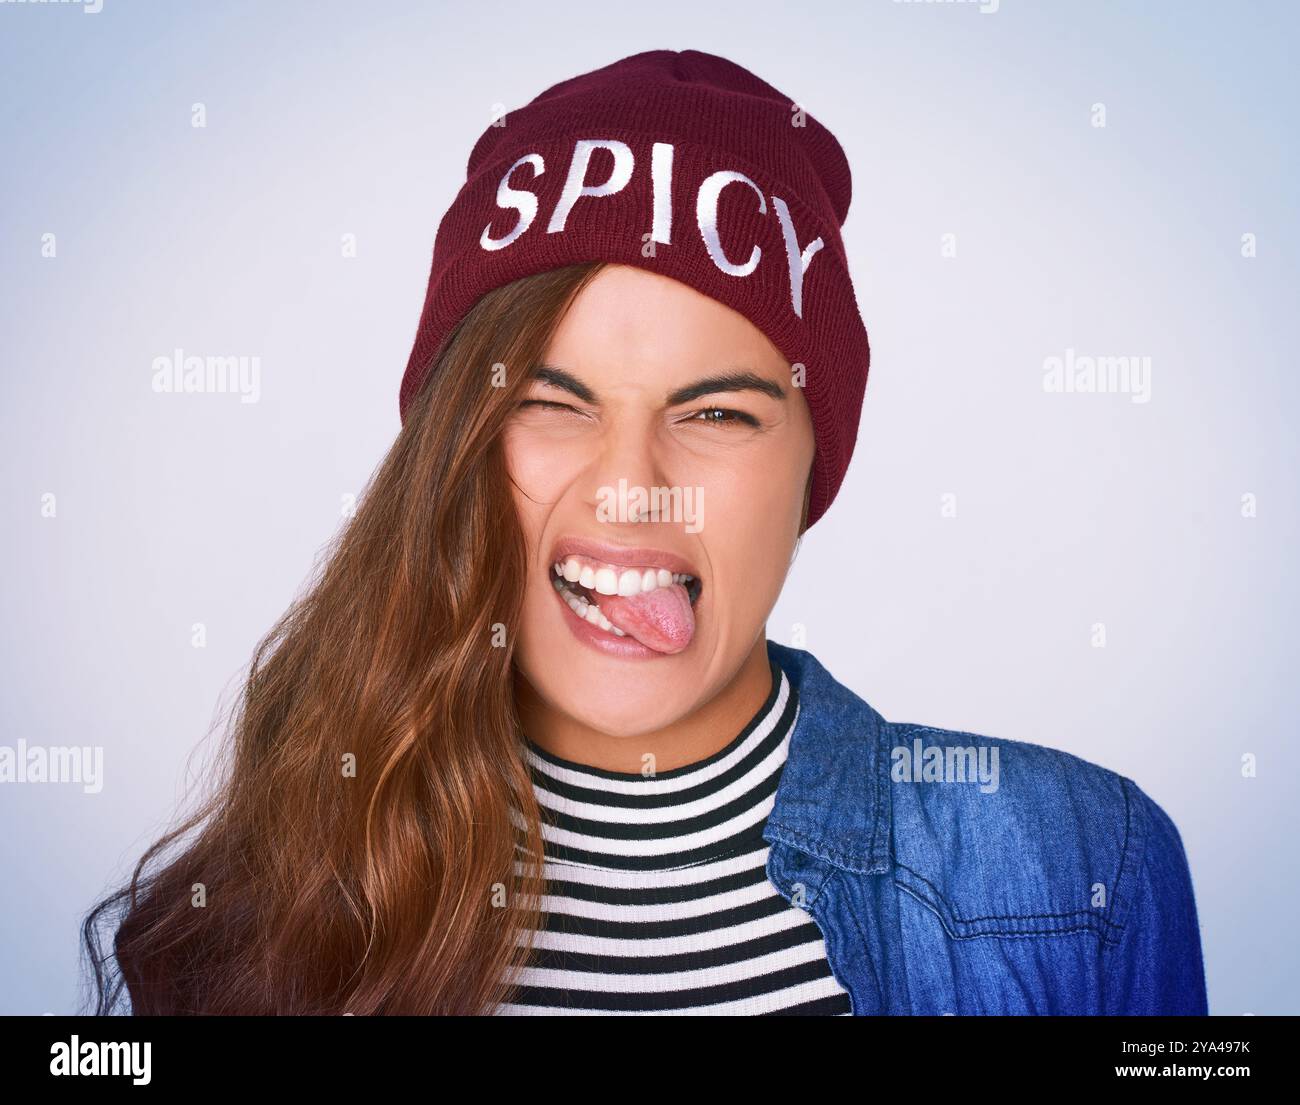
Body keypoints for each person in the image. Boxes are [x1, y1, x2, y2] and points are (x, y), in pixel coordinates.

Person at [83, 48, 1207, 1016]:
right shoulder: (250, 913)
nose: (631, 488)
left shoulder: (1076, 868)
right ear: (452, 450)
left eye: (715, 412)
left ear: (813, 463)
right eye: (549, 401)